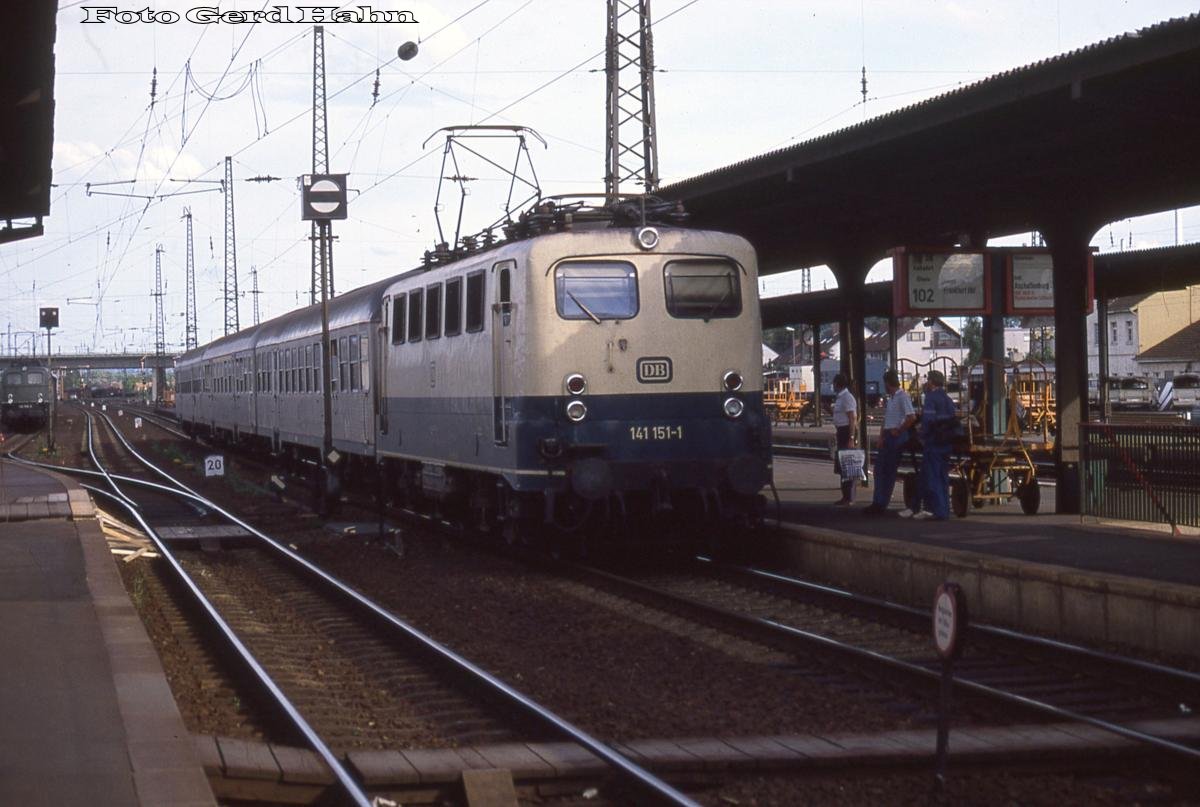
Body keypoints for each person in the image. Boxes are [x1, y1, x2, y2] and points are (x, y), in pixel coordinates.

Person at [902, 369, 958, 520]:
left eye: (928, 380)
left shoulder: (931, 398)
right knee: (942, 477)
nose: (926, 383)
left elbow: (928, 421)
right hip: (946, 443)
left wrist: (920, 436)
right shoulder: (947, 399)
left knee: (933, 478)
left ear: (932, 382)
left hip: (933, 443)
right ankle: (935, 508)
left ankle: (938, 511)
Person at [863, 369, 915, 515]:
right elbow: (886, 419)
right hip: (888, 435)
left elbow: (911, 417)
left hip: (895, 437)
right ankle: (878, 502)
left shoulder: (902, 396)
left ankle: (881, 503)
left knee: (888, 471)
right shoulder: (891, 398)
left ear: (888, 383)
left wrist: (899, 430)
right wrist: (881, 437)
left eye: (884, 383)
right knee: (880, 470)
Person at [831, 373, 858, 505]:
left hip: (847, 431)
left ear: (837, 384)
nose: (832, 386)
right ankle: (845, 496)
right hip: (841, 431)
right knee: (843, 465)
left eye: (833, 384)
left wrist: (851, 437)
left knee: (848, 465)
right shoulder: (841, 397)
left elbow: (852, 418)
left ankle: (849, 497)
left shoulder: (847, 397)